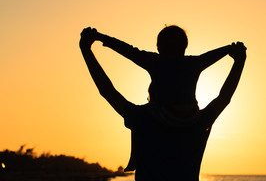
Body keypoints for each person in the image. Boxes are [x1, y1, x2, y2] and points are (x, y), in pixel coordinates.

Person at [80, 27, 247, 181]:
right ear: (185, 47)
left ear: (159, 48)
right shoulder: (199, 122)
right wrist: (238, 60)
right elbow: (224, 97)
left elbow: (107, 90)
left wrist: (88, 49)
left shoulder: (142, 118)